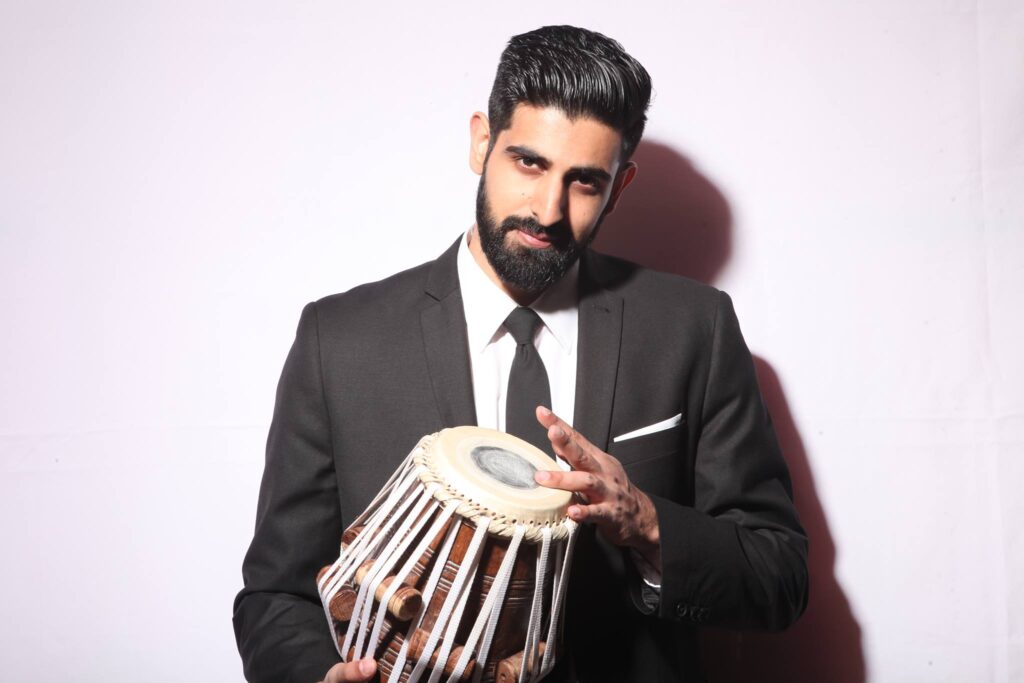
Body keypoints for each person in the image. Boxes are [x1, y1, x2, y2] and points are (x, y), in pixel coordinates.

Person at [233, 25, 808, 683]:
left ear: (620, 187)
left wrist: (644, 522)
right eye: (529, 163)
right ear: (482, 142)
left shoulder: (692, 327)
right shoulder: (339, 341)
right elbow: (275, 595)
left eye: (584, 182)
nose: (548, 210)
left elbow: (779, 574)